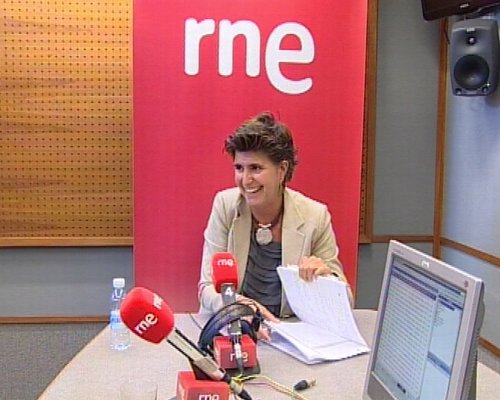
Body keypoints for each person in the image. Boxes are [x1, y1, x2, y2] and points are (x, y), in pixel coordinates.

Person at [197, 112, 350, 329]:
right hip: (235, 328)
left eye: (256, 168)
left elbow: (346, 301)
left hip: (289, 331)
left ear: (282, 170)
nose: (245, 180)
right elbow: (206, 287)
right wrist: (237, 306)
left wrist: (326, 279)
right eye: (239, 168)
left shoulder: (315, 216)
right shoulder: (225, 205)